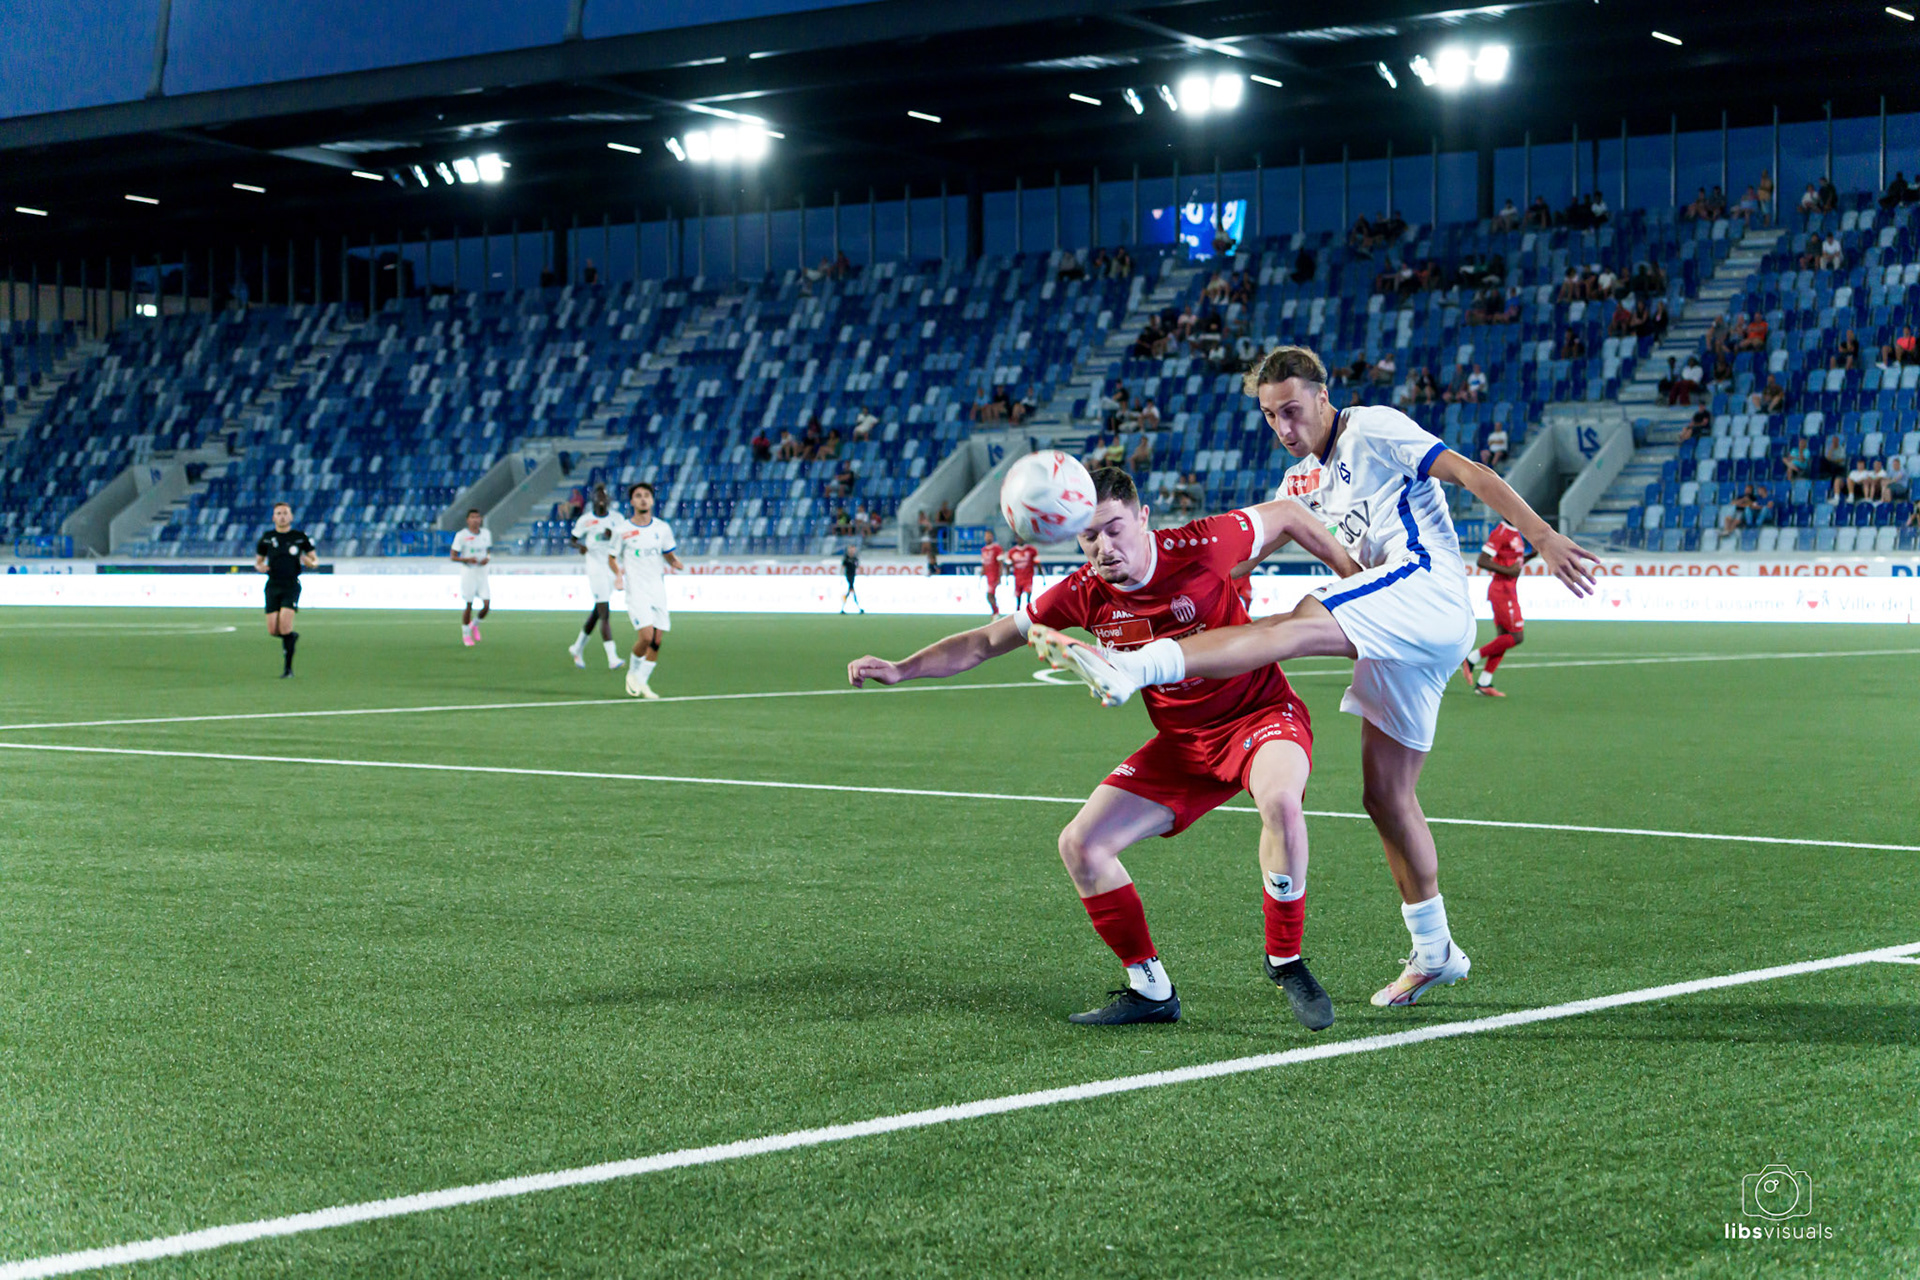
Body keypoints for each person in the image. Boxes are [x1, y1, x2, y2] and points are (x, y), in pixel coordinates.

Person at [1027, 345, 1602, 1008]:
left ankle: (1136, 666)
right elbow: (1233, 560)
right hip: (1398, 637)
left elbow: (1471, 473)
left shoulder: (1373, 428)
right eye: (1271, 416)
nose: (1284, 427)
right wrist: (1166, 586)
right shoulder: (1300, 482)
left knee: (1295, 622)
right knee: (1386, 796)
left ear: (1324, 397)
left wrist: (1543, 537)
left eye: (1293, 410)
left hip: (1426, 589)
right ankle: (1435, 950)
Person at [848, 465, 1359, 1028]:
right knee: (1082, 846)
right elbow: (986, 641)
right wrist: (902, 668)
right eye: (1088, 536)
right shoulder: (1083, 594)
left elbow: (1286, 514)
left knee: (1281, 802)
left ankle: (1285, 960)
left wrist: (1359, 584)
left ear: (1143, 519)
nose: (1103, 547)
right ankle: (1150, 989)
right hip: (1183, 744)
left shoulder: (1202, 542)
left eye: (1114, 529)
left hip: (1260, 715)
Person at [615, 482, 682, 699]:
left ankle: (642, 682)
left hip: (657, 589)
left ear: (652, 500)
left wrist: (674, 561)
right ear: (632, 502)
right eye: (638, 496)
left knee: (657, 640)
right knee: (646, 637)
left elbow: (668, 552)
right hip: (637, 590)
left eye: (646, 495)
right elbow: (611, 557)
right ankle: (633, 673)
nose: (643, 499)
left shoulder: (662, 528)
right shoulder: (622, 530)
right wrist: (618, 576)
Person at [1459, 520, 1534, 698]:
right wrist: (1508, 572)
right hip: (1502, 591)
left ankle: (1484, 683)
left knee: (1503, 638)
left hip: (1509, 590)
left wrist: (1531, 556)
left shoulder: (1516, 530)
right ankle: (1472, 658)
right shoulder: (1501, 532)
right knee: (1516, 637)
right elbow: (1482, 560)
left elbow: (1513, 563)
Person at [567, 483, 628, 671]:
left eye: (604, 496)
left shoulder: (617, 519)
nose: (601, 499)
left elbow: (625, 539)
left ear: (608, 499)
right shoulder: (586, 520)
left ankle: (577, 647)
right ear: (593, 499)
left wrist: (613, 535)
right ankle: (612, 657)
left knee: (598, 610)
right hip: (594, 566)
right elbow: (572, 540)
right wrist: (580, 547)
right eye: (598, 496)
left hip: (611, 565)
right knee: (604, 613)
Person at [254, 501, 316, 678]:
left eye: (285, 513)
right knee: (273, 630)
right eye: (279, 513)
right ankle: (291, 638)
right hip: (272, 585)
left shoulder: (300, 537)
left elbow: (315, 560)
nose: (282, 517)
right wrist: (260, 567)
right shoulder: (267, 537)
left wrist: (309, 562)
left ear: (291, 516)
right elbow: (258, 561)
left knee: (285, 626)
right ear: (273, 517)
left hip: (291, 586)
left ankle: (288, 669)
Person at [450, 508, 492, 646]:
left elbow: (488, 551)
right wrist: (467, 559)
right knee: (469, 604)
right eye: (472, 517)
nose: (475, 520)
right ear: (468, 520)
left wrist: (487, 558)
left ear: (481, 519)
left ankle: (475, 624)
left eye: (477, 517)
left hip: (482, 572)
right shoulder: (461, 535)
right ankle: (466, 634)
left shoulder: (486, 534)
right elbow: (453, 556)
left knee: (487, 605)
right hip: (469, 572)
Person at [1007, 539, 1039, 611]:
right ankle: (1018, 612)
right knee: (1018, 598)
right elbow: (1008, 564)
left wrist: (1042, 576)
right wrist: (1007, 576)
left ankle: (1028, 611)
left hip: (1028, 577)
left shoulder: (1031, 550)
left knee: (1028, 595)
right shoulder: (1012, 551)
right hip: (1018, 578)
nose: (1020, 539)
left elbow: (1037, 563)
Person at [979, 532, 1006, 616]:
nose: (987, 538)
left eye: (989, 536)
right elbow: (984, 564)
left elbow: (1000, 564)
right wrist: (982, 574)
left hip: (994, 576)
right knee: (991, 595)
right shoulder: (983, 549)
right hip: (988, 576)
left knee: (989, 595)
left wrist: (999, 577)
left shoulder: (997, 548)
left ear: (992, 537)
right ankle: (995, 612)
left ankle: (995, 612)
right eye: (986, 536)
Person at [840, 543, 864, 615]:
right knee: (852, 591)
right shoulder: (846, 558)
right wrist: (841, 575)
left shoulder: (855, 559)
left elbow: (858, 566)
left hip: (853, 576)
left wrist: (863, 573)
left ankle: (843, 608)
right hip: (848, 576)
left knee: (850, 592)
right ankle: (858, 607)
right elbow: (843, 567)